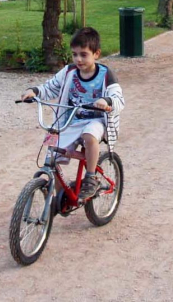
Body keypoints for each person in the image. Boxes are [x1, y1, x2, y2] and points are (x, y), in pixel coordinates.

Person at [21, 27, 125, 202]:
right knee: (52, 154)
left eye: (84, 54)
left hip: (96, 120)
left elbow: (118, 98)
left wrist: (106, 102)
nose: (78, 59)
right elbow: (51, 87)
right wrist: (35, 91)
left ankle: (91, 178)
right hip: (70, 120)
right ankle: (63, 197)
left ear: (96, 54)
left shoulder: (105, 75)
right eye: (74, 54)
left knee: (89, 135)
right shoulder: (69, 72)